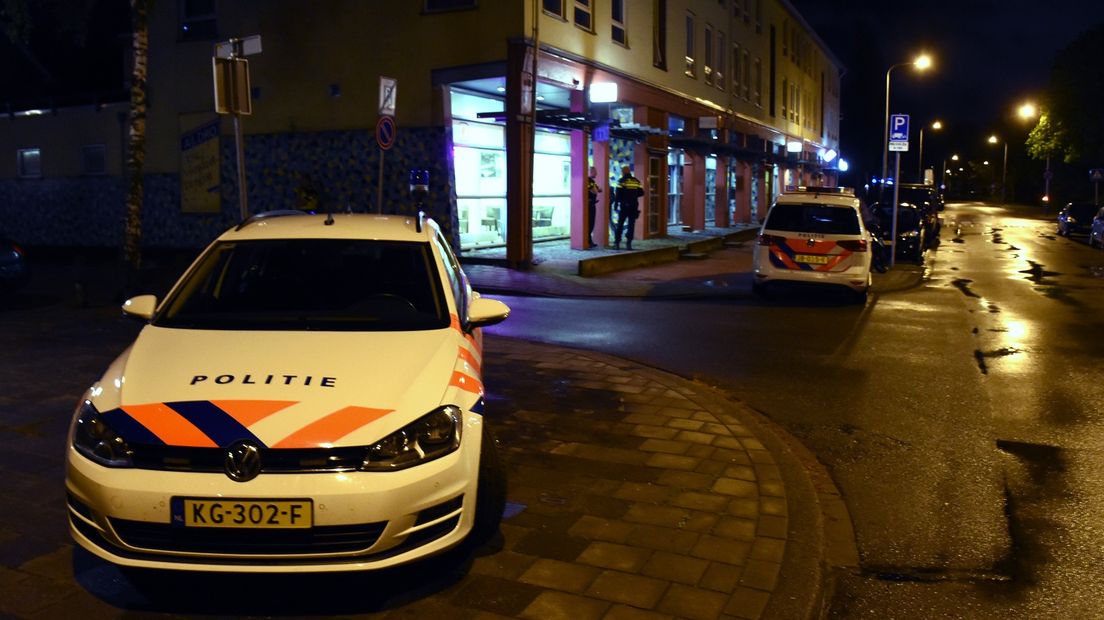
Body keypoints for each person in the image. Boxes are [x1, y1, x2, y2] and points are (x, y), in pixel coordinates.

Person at [612, 165, 643, 250]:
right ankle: (629, 243)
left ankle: (617, 243)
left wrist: (616, 204)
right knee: (631, 224)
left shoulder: (621, 181)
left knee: (620, 224)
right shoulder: (636, 181)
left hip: (624, 206)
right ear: (629, 172)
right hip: (634, 206)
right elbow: (641, 192)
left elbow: (618, 195)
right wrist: (633, 196)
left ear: (623, 172)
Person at [586, 167, 601, 248]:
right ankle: (588, 241)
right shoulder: (588, 180)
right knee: (589, 223)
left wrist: (597, 189)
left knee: (591, 223)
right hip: (589, 205)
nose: (596, 173)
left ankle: (589, 240)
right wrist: (596, 189)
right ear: (590, 172)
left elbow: (597, 189)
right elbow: (594, 190)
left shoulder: (592, 181)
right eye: (595, 172)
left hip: (592, 204)